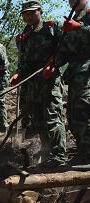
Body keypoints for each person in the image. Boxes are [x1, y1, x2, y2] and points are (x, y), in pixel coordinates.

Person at [11, 0, 66, 168]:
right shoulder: (25, 34)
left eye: (31, 13)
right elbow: (24, 60)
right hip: (33, 83)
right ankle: (48, 152)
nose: (28, 16)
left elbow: (65, 49)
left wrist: (55, 64)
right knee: (38, 119)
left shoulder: (52, 27)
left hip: (50, 81)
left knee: (52, 117)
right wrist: (18, 73)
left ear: (40, 12)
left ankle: (59, 156)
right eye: (25, 14)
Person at [52, 0, 90, 167]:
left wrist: (79, 28)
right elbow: (66, 49)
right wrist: (54, 64)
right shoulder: (72, 19)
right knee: (74, 116)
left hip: (87, 72)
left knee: (85, 111)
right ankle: (84, 154)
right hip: (75, 74)